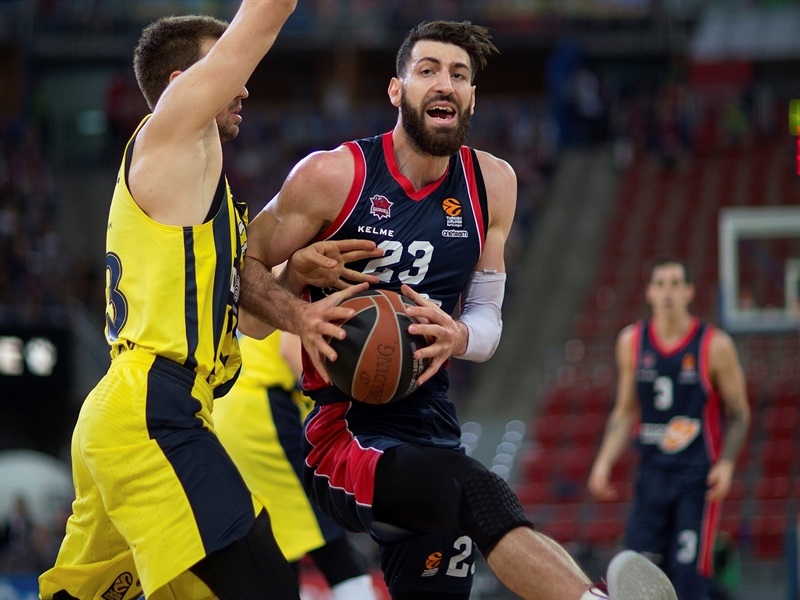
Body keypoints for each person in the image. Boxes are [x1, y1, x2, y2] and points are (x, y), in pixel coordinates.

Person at [238, 20, 677, 600]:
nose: (444, 83)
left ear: (472, 97)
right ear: (396, 89)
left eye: (459, 74)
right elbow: (244, 306)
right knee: (475, 490)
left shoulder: (493, 183)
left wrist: (459, 336)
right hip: (346, 436)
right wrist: (295, 286)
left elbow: (489, 319)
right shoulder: (331, 176)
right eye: (428, 70)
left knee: (458, 528)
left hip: (432, 424)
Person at [38, 3, 376, 599]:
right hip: (151, 409)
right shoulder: (168, 135)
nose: (244, 87)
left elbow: (247, 321)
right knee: (267, 584)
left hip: (146, 410)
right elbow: (268, 12)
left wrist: (295, 287)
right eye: (228, 70)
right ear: (183, 85)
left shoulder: (195, 189)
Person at [588, 257, 751, 600]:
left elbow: (739, 414)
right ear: (649, 291)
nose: (668, 292)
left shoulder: (714, 345)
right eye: (660, 283)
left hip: (696, 478)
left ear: (689, 291)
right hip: (651, 475)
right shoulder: (631, 342)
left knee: (688, 577)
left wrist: (726, 463)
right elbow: (625, 412)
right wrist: (603, 462)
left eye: (676, 284)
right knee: (635, 576)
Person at [214, 327, 380, 599]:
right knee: (326, 531)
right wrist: (348, 402)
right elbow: (291, 349)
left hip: (235, 411)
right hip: (263, 410)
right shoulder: (306, 298)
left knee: (282, 537)